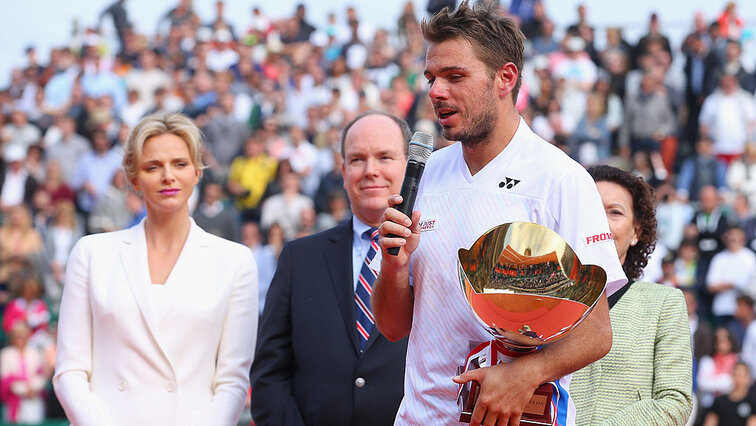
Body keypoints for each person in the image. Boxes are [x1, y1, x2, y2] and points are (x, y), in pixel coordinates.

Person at [372, 2, 625, 425]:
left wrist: (527, 373)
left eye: (455, 77)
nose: (436, 91)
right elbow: (393, 328)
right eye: (432, 77)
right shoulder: (425, 174)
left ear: (505, 78)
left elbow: (597, 334)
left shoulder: (559, 178)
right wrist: (393, 267)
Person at [53, 113, 258, 425]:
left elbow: (232, 381)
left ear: (196, 172)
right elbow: (70, 371)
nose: (168, 176)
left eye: (179, 164)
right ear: (134, 178)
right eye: (153, 167)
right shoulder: (92, 253)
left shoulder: (234, 261)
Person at [250, 111, 410, 426]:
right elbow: (269, 375)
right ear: (342, 170)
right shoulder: (299, 258)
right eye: (357, 160)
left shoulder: (442, 254)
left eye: (385, 157)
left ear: (410, 166)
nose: (370, 170)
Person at [571, 165, 693, 425]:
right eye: (591, 209)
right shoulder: (542, 298)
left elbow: (676, 401)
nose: (599, 222)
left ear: (636, 232)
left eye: (614, 212)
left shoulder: (664, 303)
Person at [704, 362, 756, 426]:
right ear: (731, 376)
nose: (738, 379)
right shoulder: (719, 401)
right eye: (736, 375)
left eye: (742, 376)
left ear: (748, 378)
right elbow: (710, 422)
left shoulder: (753, 402)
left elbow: (753, 422)